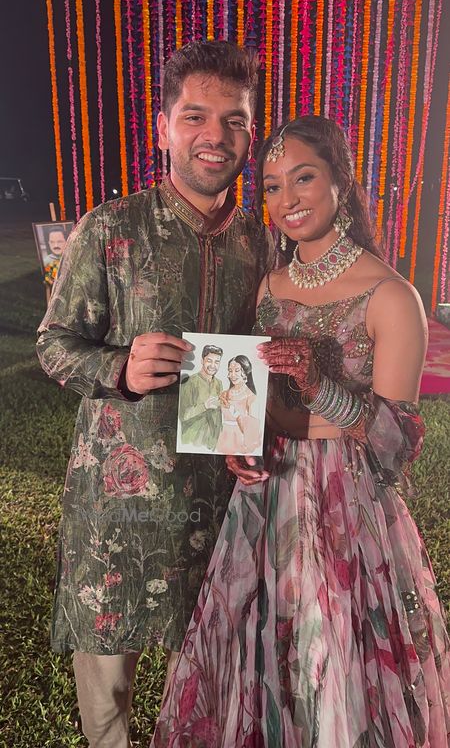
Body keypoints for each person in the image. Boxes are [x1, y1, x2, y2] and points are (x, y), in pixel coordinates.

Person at [152, 116, 450, 747]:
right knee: (264, 656)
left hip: (347, 508)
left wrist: (321, 386)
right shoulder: (269, 287)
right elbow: (251, 395)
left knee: (332, 660)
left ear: (341, 180)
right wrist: (238, 439)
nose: (287, 199)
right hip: (266, 497)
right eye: (271, 186)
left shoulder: (390, 296)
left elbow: (397, 445)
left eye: (304, 178)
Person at [36, 40, 274, 748]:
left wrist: (257, 429)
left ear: (251, 136)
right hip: (118, 512)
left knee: (203, 684)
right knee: (108, 698)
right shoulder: (112, 229)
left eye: (234, 121)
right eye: (195, 116)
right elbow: (54, 343)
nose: (214, 136)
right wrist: (120, 369)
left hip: (218, 507)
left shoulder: (260, 246)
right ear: (163, 127)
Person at [178, 345, 223, 451]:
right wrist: (204, 406)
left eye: (217, 362)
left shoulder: (218, 383)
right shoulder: (190, 382)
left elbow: (218, 414)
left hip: (213, 443)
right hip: (192, 441)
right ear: (202, 361)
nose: (213, 365)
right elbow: (183, 415)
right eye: (209, 361)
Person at [215, 354, 261, 454]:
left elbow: (252, 430)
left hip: (240, 441)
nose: (232, 375)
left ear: (245, 372)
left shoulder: (251, 397)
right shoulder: (224, 394)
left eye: (236, 370)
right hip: (223, 438)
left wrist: (232, 410)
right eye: (230, 371)